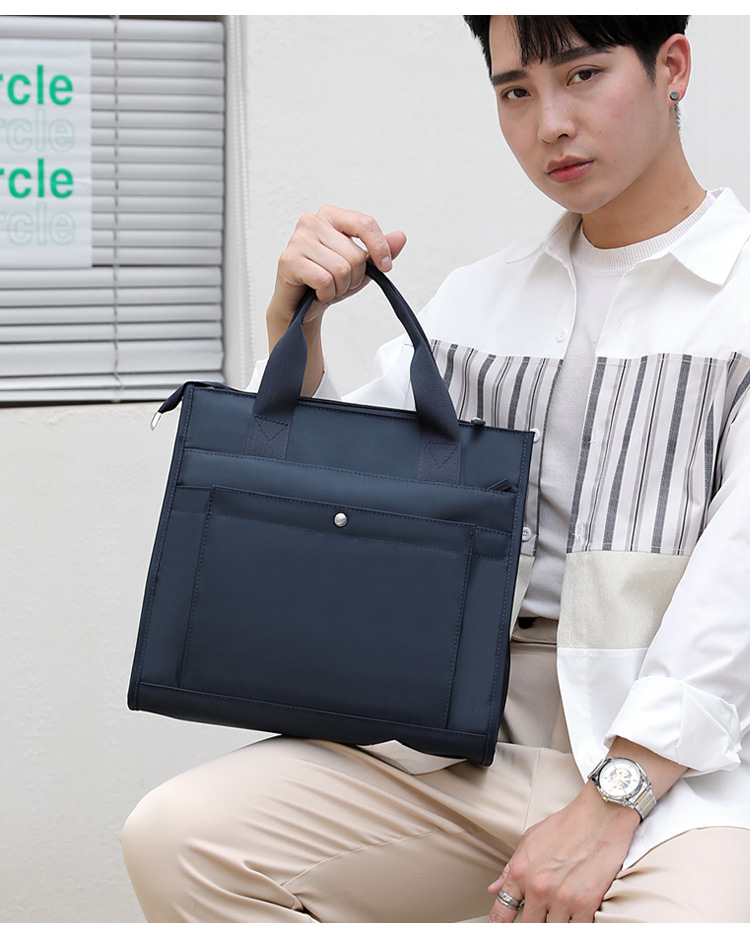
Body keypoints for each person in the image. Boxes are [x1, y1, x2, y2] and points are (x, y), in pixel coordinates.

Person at [121, 16, 750, 922]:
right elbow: (340, 499)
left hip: (683, 774)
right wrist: (296, 327)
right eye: (516, 91)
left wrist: (615, 797)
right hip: (460, 743)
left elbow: (736, 583)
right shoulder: (481, 302)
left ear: (672, 67)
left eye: (583, 75)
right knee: (180, 839)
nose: (550, 123)